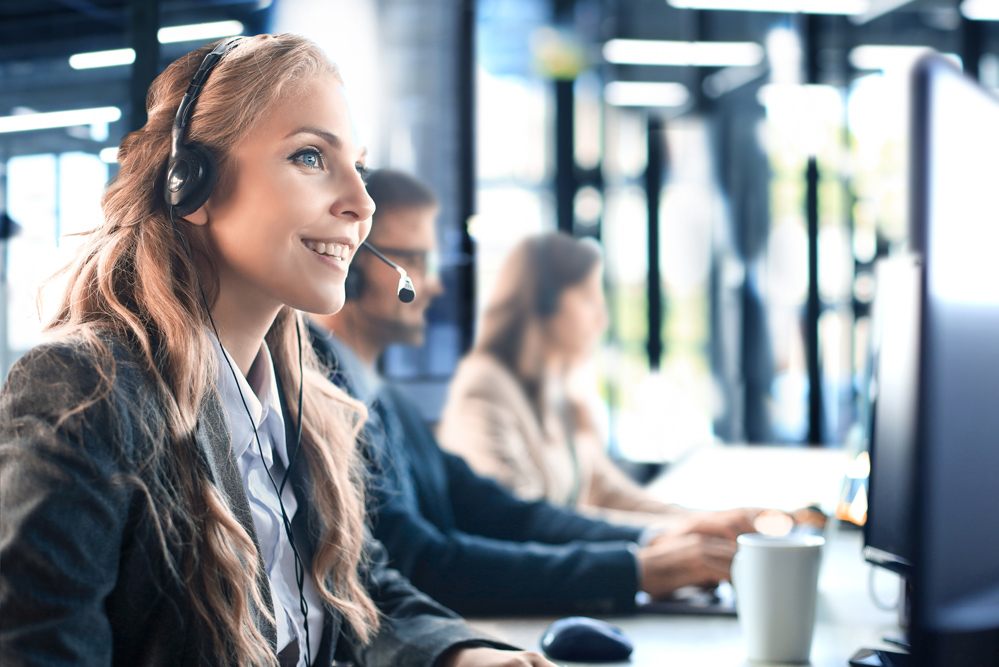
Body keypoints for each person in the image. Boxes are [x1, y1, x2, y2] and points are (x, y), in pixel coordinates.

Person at [0, 35, 554, 667]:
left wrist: (463, 656)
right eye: (311, 157)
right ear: (193, 185)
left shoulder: (301, 401)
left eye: (359, 168)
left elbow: (351, 592)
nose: (362, 204)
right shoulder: (84, 389)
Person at [310, 169, 755, 618]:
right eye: (416, 261)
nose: (433, 285)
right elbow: (423, 564)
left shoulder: (388, 398)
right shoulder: (323, 398)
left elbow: (503, 512)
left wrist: (657, 540)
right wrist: (635, 570)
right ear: (352, 264)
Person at [437, 232, 726, 528]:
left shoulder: (556, 388)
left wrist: (704, 521)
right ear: (543, 302)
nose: (601, 319)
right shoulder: (485, 388)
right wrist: (677, 533)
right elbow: (519, 518)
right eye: (589, 299)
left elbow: (605, 491)